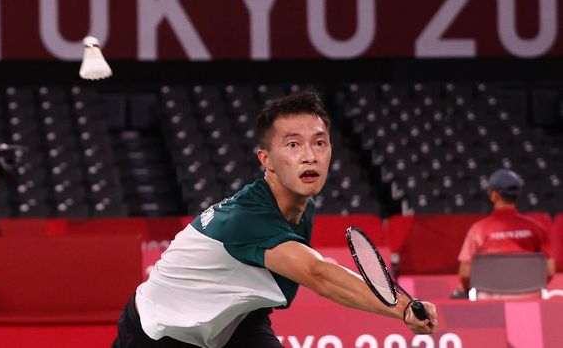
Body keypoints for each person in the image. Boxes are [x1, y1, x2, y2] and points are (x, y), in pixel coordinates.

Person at [113, 91, 438, 348]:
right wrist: (403, 308)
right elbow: (318, 274)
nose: (309, 155)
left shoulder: (301, 207)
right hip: (159, 333)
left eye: (319, 142)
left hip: (235, 324)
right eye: (293, 144)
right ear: (266, 159)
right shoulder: (247, 218)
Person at [452, 168, 556, 298]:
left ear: (493, 195)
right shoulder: (536, 228)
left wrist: (466, 289)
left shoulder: (478, 229)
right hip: (530, 298)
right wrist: (526, 287)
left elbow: (465, 274)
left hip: (490, 302)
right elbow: (550, 270)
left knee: (457, 295)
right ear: (517, 195)